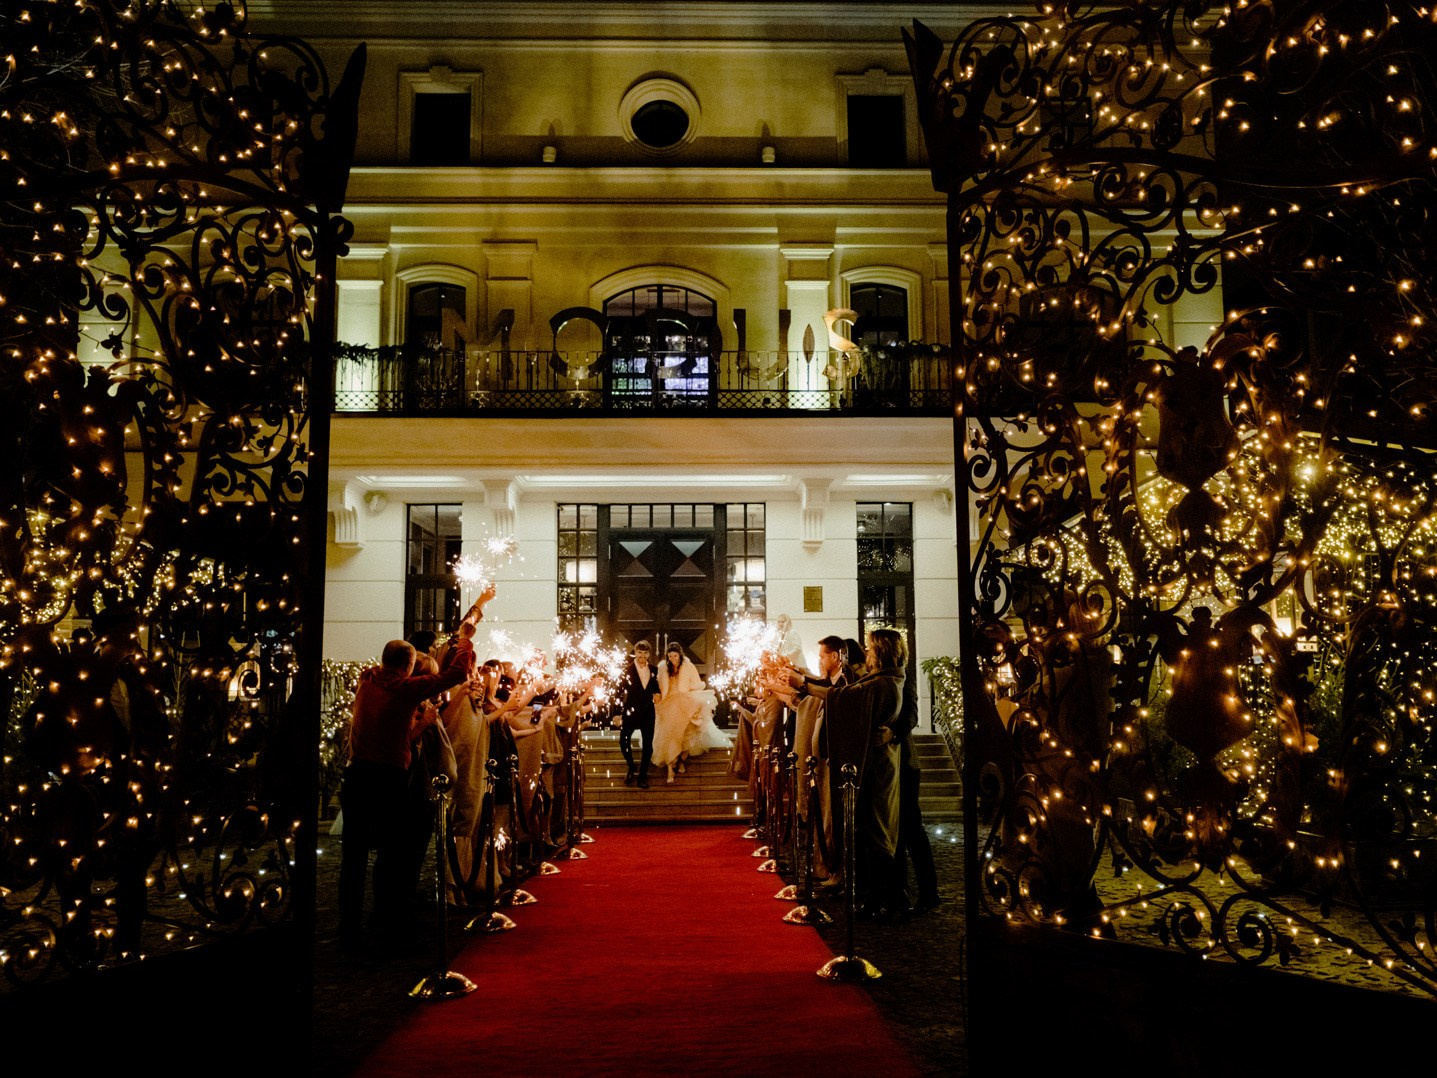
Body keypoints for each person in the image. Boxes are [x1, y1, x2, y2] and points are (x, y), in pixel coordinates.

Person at [337, 584, 492, 951]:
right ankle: (391, 924)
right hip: (388, 780)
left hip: (355, 776)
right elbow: (452, 676)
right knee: (394, 852)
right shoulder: (403, 690)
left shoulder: (367, 679)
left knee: (353, 856)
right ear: (408, 667)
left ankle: (350, 925)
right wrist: (466, 641)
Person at [652, 642, 728, 784]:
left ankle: (681, 760)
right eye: (670, 656)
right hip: (669, 702)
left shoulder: (688, 666)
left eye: (675, 655)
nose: (672, 659)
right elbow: (660, 686)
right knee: (669, 734)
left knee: (686, 733)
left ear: (680, 655)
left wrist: (689, 689)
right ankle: (670, 768)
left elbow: (697, 684)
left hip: (685, 700)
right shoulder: (663, 668)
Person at [615, 640, 661, 789]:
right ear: (635, 652)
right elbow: (617, 693)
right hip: (631, 712)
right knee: (624, 741)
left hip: (648, 712)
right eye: (639, 652)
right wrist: (617, 713)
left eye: (645, 653)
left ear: (649, 654)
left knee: (648, 746)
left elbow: (657, 688)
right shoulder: (626, 670)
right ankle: (631, 766)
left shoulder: (654, 670)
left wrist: (658, 694)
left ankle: (642, 776)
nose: (642, 655)